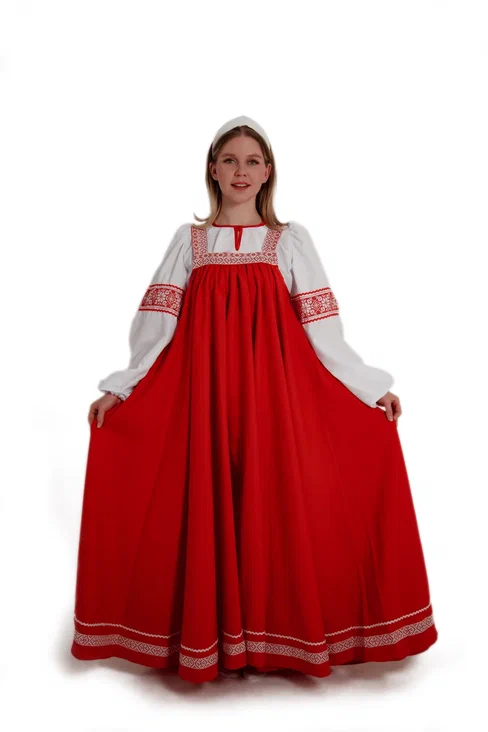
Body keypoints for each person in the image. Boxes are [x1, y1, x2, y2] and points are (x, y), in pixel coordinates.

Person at [70, 115, 438, 684]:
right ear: (212, 171)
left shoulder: (288, 241)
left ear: (268, 173)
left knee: (274, 501)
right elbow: (157, 323)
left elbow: (322, 328)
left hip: (273, 399)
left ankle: (273, 634)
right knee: (205, 501)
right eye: (230, 160)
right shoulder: (189, 241)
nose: (240, 171)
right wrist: (122, 387)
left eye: (252, 161)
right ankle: (209, 635)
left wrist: (369, 388)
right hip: (202, 396)